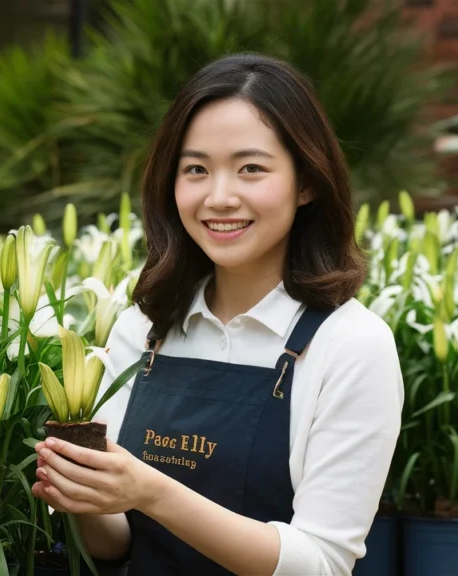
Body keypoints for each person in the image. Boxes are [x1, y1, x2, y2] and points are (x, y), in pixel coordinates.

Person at [30, 53, 404, 576]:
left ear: (307, 182)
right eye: (196, 169)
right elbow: (114, 546)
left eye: (251, 168)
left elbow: (321, 563)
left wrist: (153, 491)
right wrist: (84, 495)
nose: (219, 197)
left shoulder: (352, 343)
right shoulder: (144, 328)